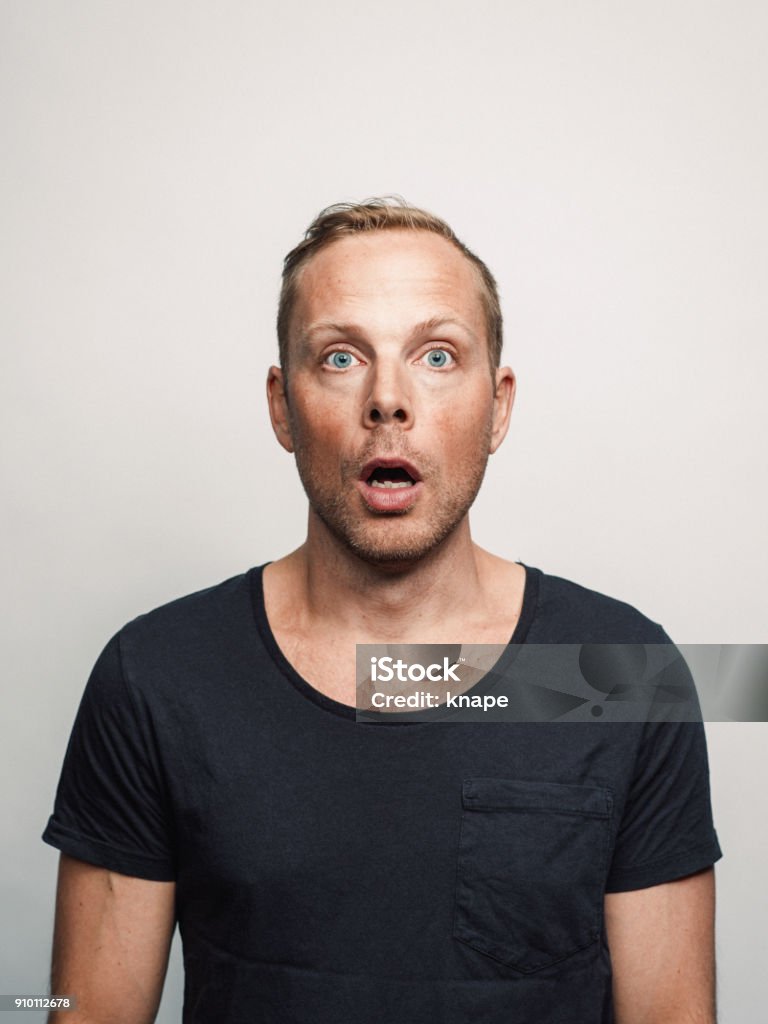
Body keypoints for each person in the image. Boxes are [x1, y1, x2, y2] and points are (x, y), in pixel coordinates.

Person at [42, 198, 722, 1023]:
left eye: (437, 355)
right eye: (339, 358)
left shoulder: (622, 674)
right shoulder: (155, 677)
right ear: (282, 406)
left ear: (498, 405)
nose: (388, 400)